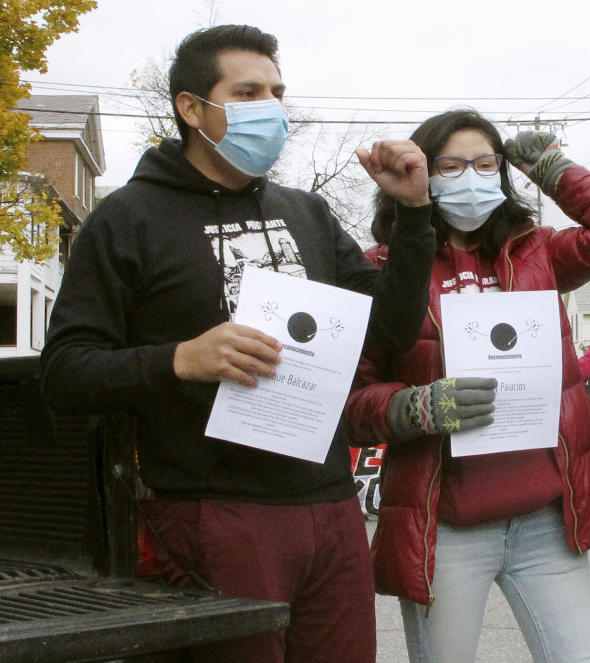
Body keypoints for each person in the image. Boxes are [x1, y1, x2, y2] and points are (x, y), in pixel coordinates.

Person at [39, 24, 436, 663]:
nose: (272, 109)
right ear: (192, 108)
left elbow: (389, 331)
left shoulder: (306, 211)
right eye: (248, 92)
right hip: (211, 515)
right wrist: (178, 358)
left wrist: (414, 215)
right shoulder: (128, 218)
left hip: (330, 504)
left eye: (278, 92)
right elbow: (65, 372)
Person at [344, 109, 590, 663]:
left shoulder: (539, 252)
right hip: (447, 524)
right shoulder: (379, 269)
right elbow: (354, 397)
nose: (470, 178)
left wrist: (554, 169)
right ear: (420, 174)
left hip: (546, 522)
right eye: (451, 165)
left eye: (486, 165)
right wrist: (412, 407)